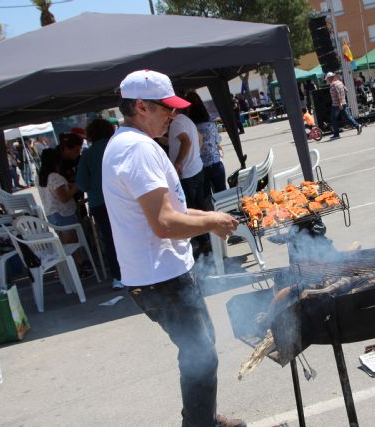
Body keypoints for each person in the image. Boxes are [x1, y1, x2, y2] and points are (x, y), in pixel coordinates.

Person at [101, 69, 243, 427]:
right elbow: (164, 223)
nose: (173, 115)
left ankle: (202, 417)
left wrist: (210, 214)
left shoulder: (130, 144)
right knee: (201, 356)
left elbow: (172, 210)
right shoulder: (137, 150)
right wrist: (211, 223)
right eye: (167, 108)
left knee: (202, 348)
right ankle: (199, 424)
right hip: (160, 277)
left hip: (161, 273)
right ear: (141, 107)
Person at [75, 119, 124, 290]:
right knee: (131, 234)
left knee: (110, 240)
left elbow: (81, 183)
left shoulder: (88, 155)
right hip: (123, 199)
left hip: (100, 202)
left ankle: (118, 277)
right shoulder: (118, 146)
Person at [169, 93, 210, 255]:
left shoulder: (177, 123)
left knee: (190, 209)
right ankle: (207, 239)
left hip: (187, 174)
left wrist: (178, 162)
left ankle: (204, 242)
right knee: (200, 206)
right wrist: (194, 155)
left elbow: (186, 142)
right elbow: (198, 139)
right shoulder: (187, 122)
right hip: (197, 168)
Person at [37, 148, 90, 274]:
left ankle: (72, 269)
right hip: (63, 213)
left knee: (65, 244)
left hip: (51, 214)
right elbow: (64, 197)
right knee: (72, 244)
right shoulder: (55, 177)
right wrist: (77, 187)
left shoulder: (41, 177)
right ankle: (81, 265)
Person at [184, 91, 227, 199]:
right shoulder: (210, 123)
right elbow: (217, 140)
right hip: (216, 163)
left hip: (200, 168)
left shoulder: (190, 126)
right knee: (223, 197)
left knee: (207, 200)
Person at [325, 71, 362, 140]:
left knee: (333, 119)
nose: (327, 80)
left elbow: (338, 93)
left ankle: (336, 134)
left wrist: (340, 102)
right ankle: (357, 125)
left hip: (337, 104)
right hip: (343, 102)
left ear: (330, 78)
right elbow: (346, 90)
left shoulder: (333, 84)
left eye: (328, 78)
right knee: (347, 117)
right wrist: (342, 99)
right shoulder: (340, 82)